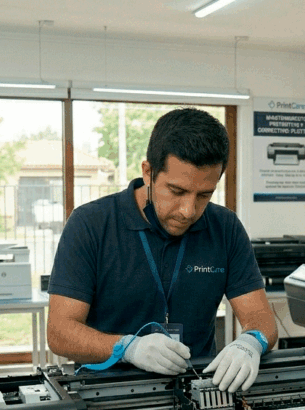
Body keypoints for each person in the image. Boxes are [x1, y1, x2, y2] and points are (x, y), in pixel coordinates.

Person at [47, 107, 277, 393]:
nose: (188, 210)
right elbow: (59, 332)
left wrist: (251, 342)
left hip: (197, 392)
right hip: (106, 393)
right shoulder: (91, 224)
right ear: (148, 172)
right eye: (177, 191)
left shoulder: (225, 227)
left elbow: (262, 318)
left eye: (204, 195)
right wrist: (127, 348)